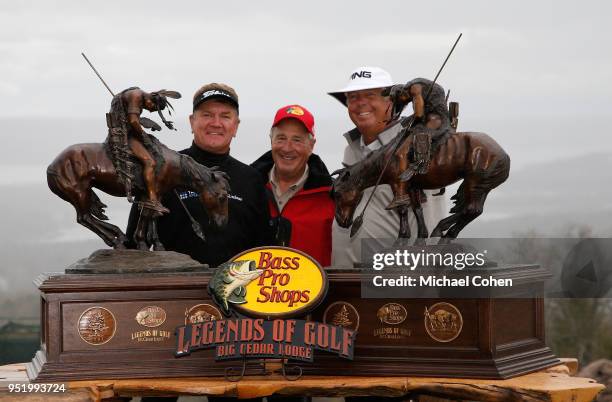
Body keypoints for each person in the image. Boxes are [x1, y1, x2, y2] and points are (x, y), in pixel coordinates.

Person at [126, 83, 271, 267]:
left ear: (236, 126)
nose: (216, 123)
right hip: (173, 290)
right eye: (207, 115)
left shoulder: (252, 179)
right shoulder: (161, 168)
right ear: (192, 122)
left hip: (236, 292)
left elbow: (265, 250)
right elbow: (132, 244)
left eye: (225, 116)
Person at [328, 66, 447, 269]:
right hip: (346, 287)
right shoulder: (351, 150)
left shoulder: (417, 148)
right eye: (353, 97)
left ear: (390, 101)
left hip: (396, 290)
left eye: (370, 95)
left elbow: (429, 226)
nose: (360, 102)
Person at [251, 104, 334, 266]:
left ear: (311, 146)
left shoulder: (333, 196)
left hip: (313, 290)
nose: (287, 148)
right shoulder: (247, 188)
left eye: (297, 140)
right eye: (281, 138)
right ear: (271, 140)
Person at [107, 87, 180, 214]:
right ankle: (152, 200)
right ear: (151, 101)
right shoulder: (136, 96)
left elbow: (133, 119)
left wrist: (146, 125)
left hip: (127, 131)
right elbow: (133, 121)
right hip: (124, 135)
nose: (150, 111)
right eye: (151, 109)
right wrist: (144, 136)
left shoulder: (137, 96)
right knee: (149, 162)